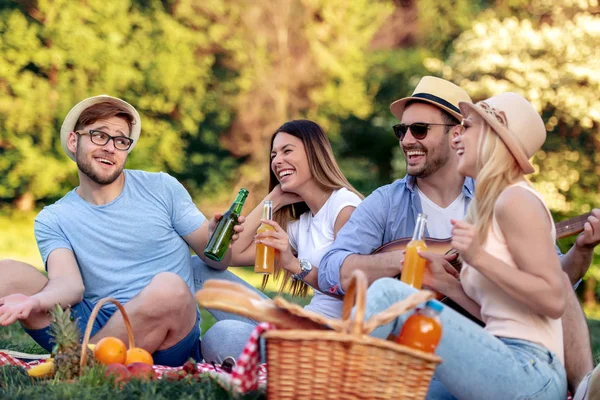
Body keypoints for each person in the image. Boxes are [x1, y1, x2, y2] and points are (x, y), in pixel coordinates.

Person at [318, 77, 600, 396]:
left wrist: (479, 258)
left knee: (389, 293)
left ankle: (324, 379)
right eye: (402, 131)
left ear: (495, 137)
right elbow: (503, 313)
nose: (458, 139)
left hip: (527, 370)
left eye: (468, 127)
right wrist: (444, 283)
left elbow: (553, 296)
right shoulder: (487, 205)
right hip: (501, 360)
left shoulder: (514, 200)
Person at [0, 95, 244, 367]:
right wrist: (35, 302)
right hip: (93, 323)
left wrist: (215, 236)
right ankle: (93, 359)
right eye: (99, 135)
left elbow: (217, 260)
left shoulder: (162, 188)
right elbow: (69, 284)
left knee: (169, 288)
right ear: (73, 141)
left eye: (120, 141)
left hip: (167, 332)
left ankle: (84, 365)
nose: (110, 148)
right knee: (6, 272)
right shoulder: (54, 217)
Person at [196, 119, 362, 363]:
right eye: (274, 155)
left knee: (223, 335)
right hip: (296, 328)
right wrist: (274, 198)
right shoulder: (302, 224)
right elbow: (234, 255)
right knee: (198, 268)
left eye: (287, 151)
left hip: (328, 339)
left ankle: (260, 362)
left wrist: (294, 264)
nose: (277, 161)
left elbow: (357, 291)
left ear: (314, 153)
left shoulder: (344, 208)